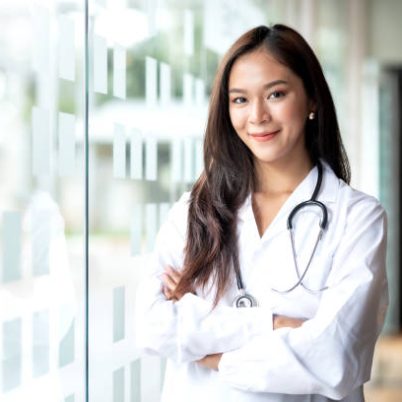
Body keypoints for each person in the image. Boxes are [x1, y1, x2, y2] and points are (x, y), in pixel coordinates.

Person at [135, 24, 388, 402]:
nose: (257, 115)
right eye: (239, 100)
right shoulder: (194, 212)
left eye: (276, 94)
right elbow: (151, 328)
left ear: (312, 99)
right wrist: (274, 326)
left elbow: (334, 357)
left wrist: (211, 353)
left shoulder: (358, 218)